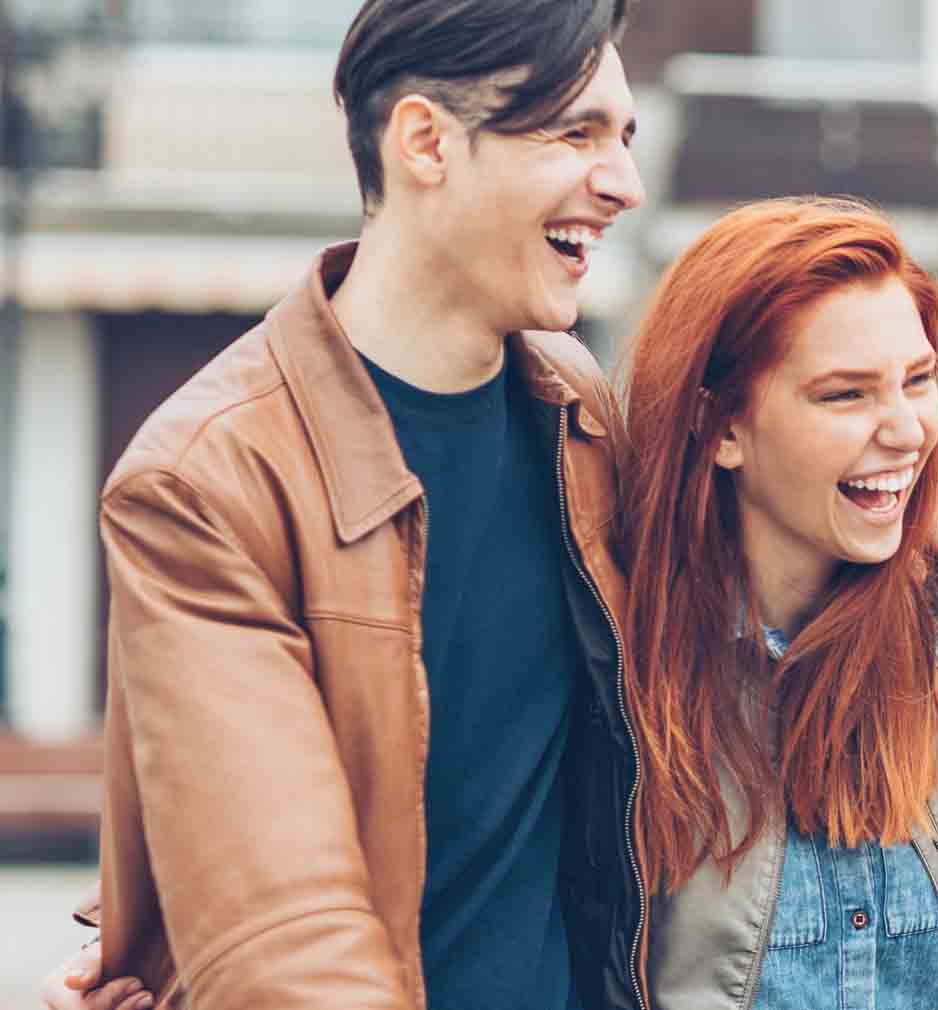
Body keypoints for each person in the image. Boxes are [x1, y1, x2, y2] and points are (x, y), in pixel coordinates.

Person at [56, 1, 645, 1006]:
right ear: (425, 141)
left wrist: (929, 534)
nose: (624, 182)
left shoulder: (577, 411)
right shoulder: (206, 479)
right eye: (575, 131)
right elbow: (284, 935)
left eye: (623, 137)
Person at [616, 196, 938, 1010]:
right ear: (719, 427)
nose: (908, 430)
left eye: (918, 380)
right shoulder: (616, 656)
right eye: (845, 396)